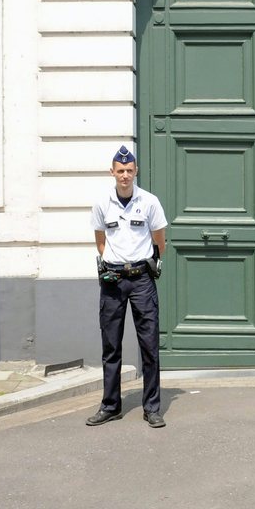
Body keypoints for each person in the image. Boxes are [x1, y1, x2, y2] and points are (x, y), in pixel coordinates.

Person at [86, 145, 169, 428]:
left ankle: (152, 408)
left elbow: (160, 241)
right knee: (111, 346)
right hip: (113, 281)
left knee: (149, 345)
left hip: (141, 281)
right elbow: (100, 240)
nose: (125, 175)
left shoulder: (149, 202)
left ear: (136, 172)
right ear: (112, 172)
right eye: (120, 171)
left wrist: (150, 265)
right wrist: (112, 261)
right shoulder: (101, 202)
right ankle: (110, 406)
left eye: (129, 171)